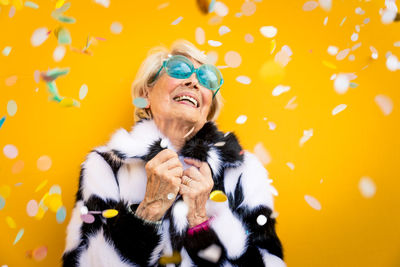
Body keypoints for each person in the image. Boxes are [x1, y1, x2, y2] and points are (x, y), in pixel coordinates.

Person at [62, 40, 284, 267]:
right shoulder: (106, 165)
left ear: (208, 109)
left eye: (206, 79)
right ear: (145, 94)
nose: (194, 82)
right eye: (179, 69)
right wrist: (149, 209)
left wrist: (201, 222)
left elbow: (270, 262)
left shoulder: (243, 170)